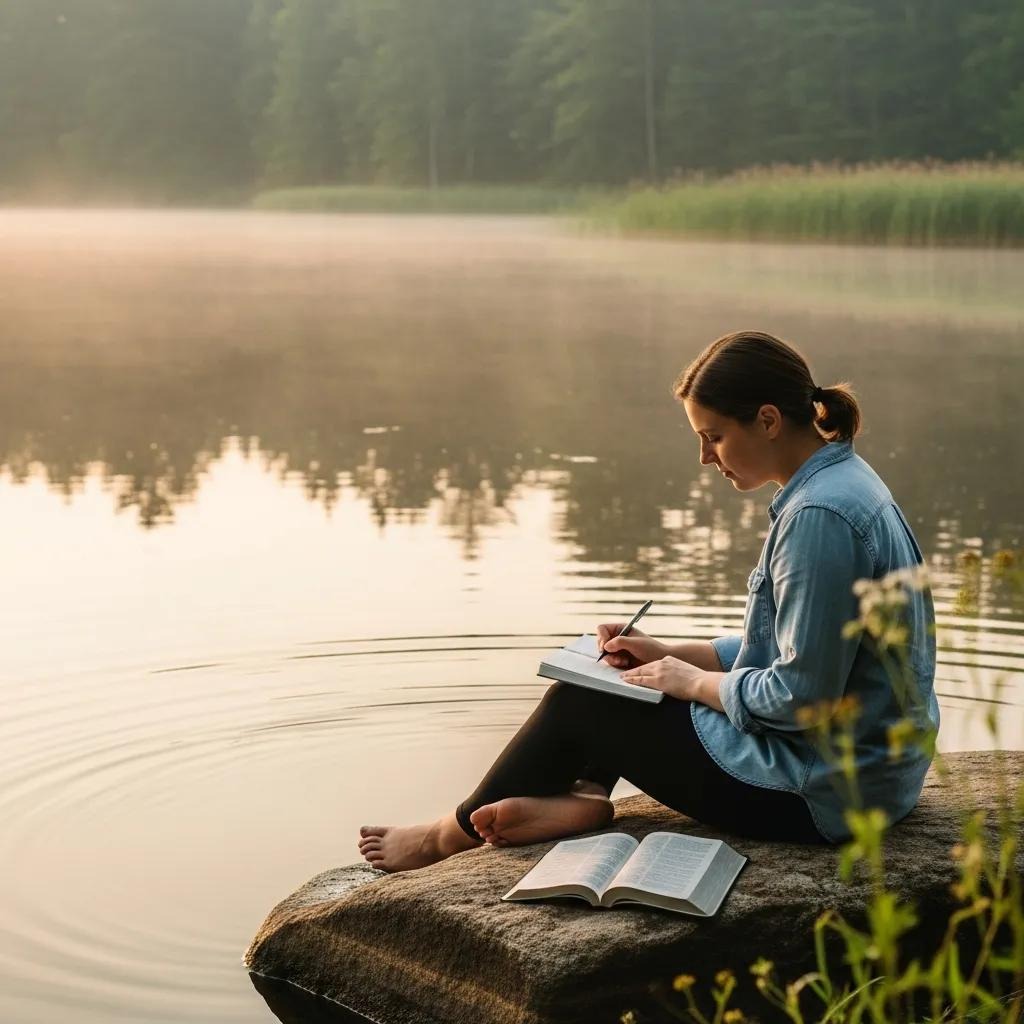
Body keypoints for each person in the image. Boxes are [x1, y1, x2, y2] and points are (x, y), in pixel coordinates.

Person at [358, 330, 939, 872]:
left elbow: (799, 697)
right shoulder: (842, 482)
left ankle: (447, 837)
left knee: (582, 703)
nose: (707, 458)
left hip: (823, 794)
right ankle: (584, 795)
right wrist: (668, 653)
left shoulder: (817, 517)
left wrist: (684, 680)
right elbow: (799, 643)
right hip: (876, 775)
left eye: (713, 436)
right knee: (620, 677)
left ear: (766, 420)